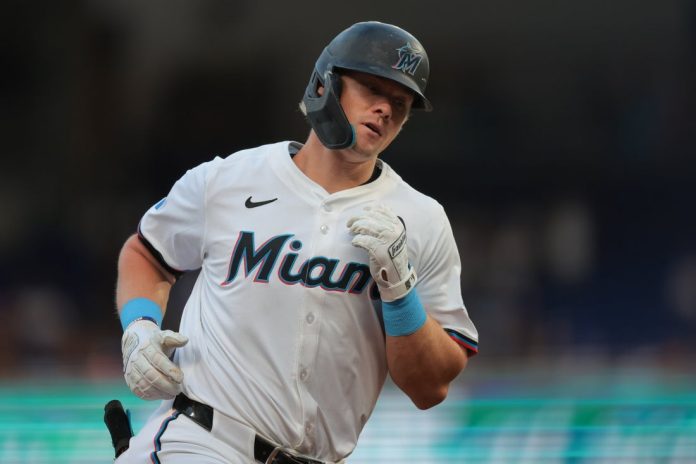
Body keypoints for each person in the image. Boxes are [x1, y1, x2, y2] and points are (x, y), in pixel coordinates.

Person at [113, 21, 478, 464]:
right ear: (325, 85)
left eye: (399, 103)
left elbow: (429, 387)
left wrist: (400, 292)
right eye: (371, 89)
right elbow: (147, 252)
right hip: (203, 439)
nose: (385, 108)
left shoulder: (421, 219)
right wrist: (139, 327)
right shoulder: (228, 179)